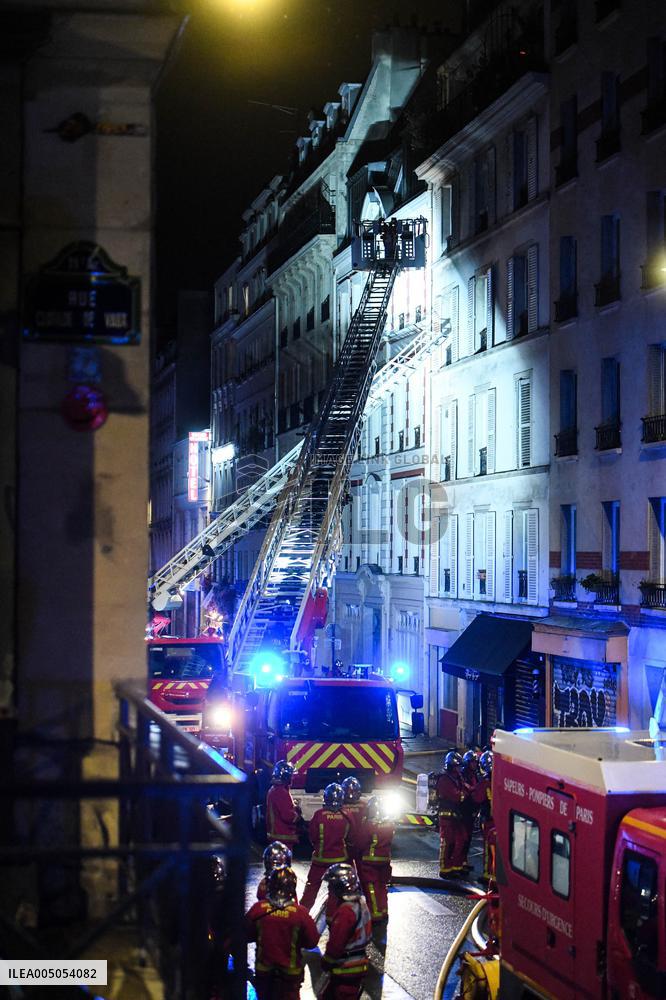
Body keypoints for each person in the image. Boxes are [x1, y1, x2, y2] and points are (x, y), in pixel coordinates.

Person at [246, 866, 320, 1000]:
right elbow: (312, 942)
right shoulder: (300, 913)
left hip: (264, 974)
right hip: (290, 977)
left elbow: (245, 934)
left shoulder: (258, 909)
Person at [320, 863, 372, 1000]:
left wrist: (326, 961)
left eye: (331, 885)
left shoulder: (346, 912)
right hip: (357, 965)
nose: (329, 889)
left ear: (339, 887)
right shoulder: (360, 903)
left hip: (345, 969)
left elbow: (336, 944)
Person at [300, 783, 349, 911]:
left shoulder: (318, 815)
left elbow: (313, 836)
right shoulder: (346, 816)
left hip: (320, 859)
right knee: (334, 891)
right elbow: (351, 836)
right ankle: (332, 917)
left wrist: (318, 847)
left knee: (311, 888)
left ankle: (302, 914)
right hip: (339, 859)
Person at [356, 796, 394, 923]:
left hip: (370, 861)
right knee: (382, 886)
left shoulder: (368, 825)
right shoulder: (390, 824)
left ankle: (375, 913)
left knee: (371, 887)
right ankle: (384, 911)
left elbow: (361, 843)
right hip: (385, 860)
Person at [436, 750, 467, 878]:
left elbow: (464, 790)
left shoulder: (457, 777)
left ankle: (455, 866)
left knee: (460, 840)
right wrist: (464, 794)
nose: (460, 769)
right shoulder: (444, 779)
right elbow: (457, 796)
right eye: (457, 766)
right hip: (447, 816)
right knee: (447, 842)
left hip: (456, 815)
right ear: (451, 766)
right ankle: (444, 869)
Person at [472, 750, 495, 882]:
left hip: (488, 819)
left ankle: (488, 875)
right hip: (502, 820)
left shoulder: (485, 782)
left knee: (488, 847)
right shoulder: (500, 778)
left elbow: (477, 798)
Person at [266, 760, 301, 845]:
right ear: (286, 777)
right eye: (291, 776)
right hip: (282, 836)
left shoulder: (276, 789)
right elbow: (288, 816)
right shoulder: (280, 792)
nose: (292, 778)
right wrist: (297, 813)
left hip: (278, 835)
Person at [340, 776, 366, 872]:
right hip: (362, 844)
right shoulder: (365, 806)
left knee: (346, 869)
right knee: (363, 871)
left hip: (345, 844)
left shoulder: (340, 806)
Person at [460, 750, 480, 869]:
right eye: (472, 762)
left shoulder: (474, 775)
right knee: (462, 838)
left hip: (471, 810)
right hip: (464, 811)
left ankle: (464, 861)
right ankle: (459, 861)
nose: (474, 764)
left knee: (468, 838)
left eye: (475, 762)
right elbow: (467, 789)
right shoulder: (463, 775)